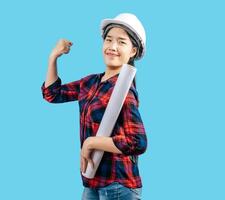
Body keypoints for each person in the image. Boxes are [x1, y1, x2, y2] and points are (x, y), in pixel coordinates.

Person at [41, 13, 148, 200]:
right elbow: (52, 94)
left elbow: (137, 141)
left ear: (133, 51)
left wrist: (91, 142)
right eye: (109, 40)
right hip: (93, 181)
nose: (112, 47)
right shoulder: (90, 82)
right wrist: (53, 57)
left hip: (118, 185)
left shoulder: (124, 90)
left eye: (121, 42)